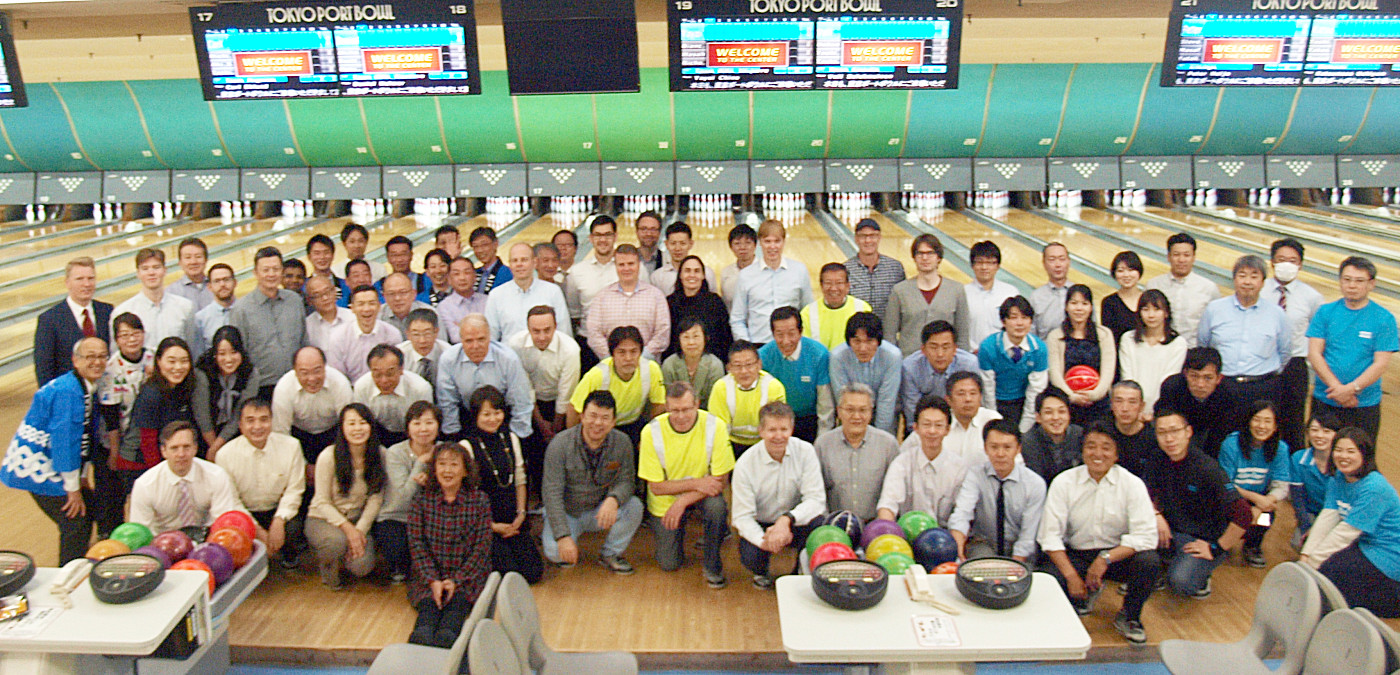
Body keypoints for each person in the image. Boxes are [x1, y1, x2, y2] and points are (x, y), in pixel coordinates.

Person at [1038, 422, 1160, 644]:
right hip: (1076, 554)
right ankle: (1081, 593)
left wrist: (1105, 559)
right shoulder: (1064, 482)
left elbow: (1146, 536)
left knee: (1149, 562)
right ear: (1082, 450)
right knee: (1049, 577)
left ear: (1116, 454)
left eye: (1106, 447)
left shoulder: (1132, 484)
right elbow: (1049, 537)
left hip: (1116, 555)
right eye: (1091, 446)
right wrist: (1072, 576)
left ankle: (1130, 616)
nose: (1097, 453)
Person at [1, 338, 107, 563]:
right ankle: (65, 580)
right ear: (75, 361)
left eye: (102, 356)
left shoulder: (82, 385)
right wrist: (72, 488)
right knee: (75, 519)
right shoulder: (68, 392)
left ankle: (76, 568)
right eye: (90, 357)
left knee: (86, 510)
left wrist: (80, 477)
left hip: (52, 463)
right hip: (38, 468)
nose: (97, 362)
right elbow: (65, 442)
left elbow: (85, 435)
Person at [638, 382, 736, 589]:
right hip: (670, 498)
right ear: (666, 407)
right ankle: (679, 531)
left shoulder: (715, 426)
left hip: (702, 495)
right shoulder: (650, 432)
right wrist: (697, 483)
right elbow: (656, 487)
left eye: (686, 409)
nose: (681, 416)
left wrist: (683, 501)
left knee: (716, 507)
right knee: (669, 564)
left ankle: (712, 564)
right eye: (674, 410)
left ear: (697, 405)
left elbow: (721, 481)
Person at [1149, 408, 1251, 600]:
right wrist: (1156, 515)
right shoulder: (1157, 459)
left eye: (1175, 431)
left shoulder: (1207, 468)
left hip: (1203, 539)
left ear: (1188, 432)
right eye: (1162, 433)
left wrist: (1217, 547)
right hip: (1171, 531)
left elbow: (1244, 514)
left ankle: (1201, 571)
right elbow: (1146, 492)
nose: (1169, 439)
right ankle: (1172, 560)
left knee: (1180, 583)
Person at [1299, 427, 1400, 617]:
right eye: (1338, 450)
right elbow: (1327, 518)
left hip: (1389, 555)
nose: (1343, 456)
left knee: (1331, 573)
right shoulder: (1338, 478)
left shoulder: (1374, 487)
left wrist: (1311, 566)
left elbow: (1345, 533)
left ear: (1365, 454)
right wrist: (1305, 557)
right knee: (1319, 562)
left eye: (1351, 451)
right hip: (1364, 544)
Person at [541, 390, 644, 574]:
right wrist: (563, 536)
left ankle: (610, 554)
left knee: (635, 507)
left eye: (605, 418)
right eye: (593, 416)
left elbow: (627, 481)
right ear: (581, 416)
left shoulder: (622, 443)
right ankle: (556, 529)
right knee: (554, 552)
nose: (598, 423)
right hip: (568, 511)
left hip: (600, 510)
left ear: (613, 422)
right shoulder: (560, 444)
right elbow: (551, 493)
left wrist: (613, 499)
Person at [406, 441, 493, 647]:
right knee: (426, 620)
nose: (447, 470)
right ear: (434, 469)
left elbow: (481, 549)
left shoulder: (480, 501)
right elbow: (416, 545)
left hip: (467, 577)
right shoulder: (421, 500)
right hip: (428, 577)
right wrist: (433, 580)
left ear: (465, 471)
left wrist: (456, 580)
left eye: (454, 464)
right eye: (442, 464)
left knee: (452, 620)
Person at [731, 402, 826, 589]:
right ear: (761, 431)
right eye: (772, 430)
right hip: (763, 524)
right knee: (751, 555)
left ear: (792, 429)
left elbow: (816, 500)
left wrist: (787, 520)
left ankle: (799, 571)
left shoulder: (806, 451)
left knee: (819, 525)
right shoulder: (745, 464)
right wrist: (765, 541)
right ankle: (761, 572)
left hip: (795, 520)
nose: (778, 436)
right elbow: (742, 517)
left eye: (784, 429)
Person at [458, 386, 543, 584]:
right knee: (507, 574)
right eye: (486, 414)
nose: (493, 419)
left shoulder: (510, 438)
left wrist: (521, 514)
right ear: (475, 416)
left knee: (533, 573)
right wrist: (494, 527)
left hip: (514, 519)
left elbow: (520, 480)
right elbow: (465, 497)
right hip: (484, 523)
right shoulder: (466, 446)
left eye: (497, 412)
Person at [1308, 256, 1397, 441]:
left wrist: (1351, 389)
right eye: (1347, 279)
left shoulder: (1384, 318)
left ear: (1371, 284)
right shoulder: (1325, 312)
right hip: (1325, 399)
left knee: (1361, 461)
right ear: (1340, 281)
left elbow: (1380, 364)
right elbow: (1314, 354)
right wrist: (1339, 390)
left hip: (1364, 404)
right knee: (1321, 458)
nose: (1352, 285)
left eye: (1359, 281)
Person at [1199, 255, 1290, 429]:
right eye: (1242, 275)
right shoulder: (1214, 309)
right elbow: (1204, 345)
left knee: (1259, 440)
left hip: (1263, 388)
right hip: (1224, 387)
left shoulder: (1277, 314)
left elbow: (1285, 352)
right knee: (1219, 437)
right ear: (1234, 279)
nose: (1247, 281)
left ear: (1263, 282)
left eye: (1254, 276)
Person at [215, 398, 306, 564]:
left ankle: (288, 555)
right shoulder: (225, 455)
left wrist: (278, 521)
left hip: (277, 510)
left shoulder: (291, 446)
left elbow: (294, 490)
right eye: (250, 421)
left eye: (264, 420)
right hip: (245, 513)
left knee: (293, 528)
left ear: (271, 422)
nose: (257, 427)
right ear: (240, 425)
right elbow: (232, 500)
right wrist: (256, 530)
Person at [306, 403, 386, 589]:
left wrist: (359, 531)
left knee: (362, 566)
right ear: (342, 427)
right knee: (336, 543)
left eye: (362, 422)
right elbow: (322, 502)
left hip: (358, 519)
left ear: (371, 426)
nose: (357, 428)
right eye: (351, 423)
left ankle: (345, 552)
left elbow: (376, 498)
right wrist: (349, 531)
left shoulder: (380, 454)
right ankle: (327, 562)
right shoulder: (328, 456)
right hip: (323, 518)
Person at [948, 419, 1046, 562]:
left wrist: (1015, 565)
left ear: (1018, 449)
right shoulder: (975, 475)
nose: (1000, 454)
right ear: (985, 448)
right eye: (994, 447)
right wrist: (957, 546)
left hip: (1019, 547)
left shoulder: (1035, 483)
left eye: (1007, 447)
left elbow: (1028, 534)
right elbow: (962, 512)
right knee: (982, 570)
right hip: (984, 543)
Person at [507, 306, 581, 491]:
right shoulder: (515, 345)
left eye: (547, 330)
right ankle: (538, 492)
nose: (541, 337)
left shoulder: (570, 349)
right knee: (534, 449)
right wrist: (540, 423)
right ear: (528, 328)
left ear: (556, 326)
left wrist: (556, 425)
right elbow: (524, 387)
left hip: (560, 405)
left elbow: (566, 393)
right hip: (530, 403)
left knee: (561, 448)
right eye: (536, 331)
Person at [128, 420, 248, 534]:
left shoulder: (216, 475)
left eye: (186, 447)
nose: (181, 454)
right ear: (163, 451)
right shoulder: (145, 485)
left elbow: (223, 523)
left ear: (195, 448)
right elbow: (143, 532)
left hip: (208, 542)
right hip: (163, 546)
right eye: (174, 448)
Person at [1261, 239, 1323, 452]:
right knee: (1261, 419)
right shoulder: (1259, 290)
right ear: (1272, 262)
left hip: (1295, 366)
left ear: (1300, 264)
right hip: (1263, 362)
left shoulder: (1312, 297)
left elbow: (1318, 336)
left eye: (1292, 260)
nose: (1286, 264)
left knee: (1294, 423)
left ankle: (1294, 472)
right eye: (1281, 260)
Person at [120, 338, 212, 477]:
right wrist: (162, 477)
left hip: (168, 461)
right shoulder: (151, 394)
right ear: (159, 361)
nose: (178, 367)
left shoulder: (182, 388)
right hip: (140, 465)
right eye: (172, 361)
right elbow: (148, 444)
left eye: (184, 361)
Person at [94, 314, 152, 535]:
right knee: (116, 495)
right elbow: (110, 417)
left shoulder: (152, 358)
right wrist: (115, 453)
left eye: (136, 333)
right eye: (125, 335)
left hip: (144, 439)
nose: (131, 339)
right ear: (116, 340)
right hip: (117, 441)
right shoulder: (111, 369)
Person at [1217, 400, 1291, 568]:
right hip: (1233, 497)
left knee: (1266, 517)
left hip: (1260, 502)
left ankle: (1252, 546)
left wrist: (1263, 504)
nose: (1262, 426)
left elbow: (1281, 486)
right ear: (1248, 422)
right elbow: (1224, 483)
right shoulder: (1231, 444)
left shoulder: (1281, 449)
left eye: (1267, 421)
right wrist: (1255, 499)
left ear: (1275, 426)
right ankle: (1223, 540)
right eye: (1257, 419)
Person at [436, 314, 534, 441]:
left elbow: (520, 402)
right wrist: (454, 438)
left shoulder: (508, 359)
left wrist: (516, 439)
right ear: (460, 340)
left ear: (490, 337)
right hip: (466, 419)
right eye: (469, 341)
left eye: (481, 339)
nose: (475, 346)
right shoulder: (448, 359)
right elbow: (447, 404)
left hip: (501, 418)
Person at [813, 384, 901, 521]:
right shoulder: (822, 445)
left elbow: (896, 492)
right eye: (850, 410)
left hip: (876, 525)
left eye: (863, 410)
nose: (856, 416)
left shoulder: (888, 445)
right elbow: (816, 494)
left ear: (871, 412)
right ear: (839, 411)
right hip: (835, 527)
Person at [230, 247, 308, 401]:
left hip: (296, 383)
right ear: (255, 273)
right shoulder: (242, 309)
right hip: (261, 387)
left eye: (276, 269)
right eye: (266, 270)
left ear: (281, 271)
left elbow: (303, 340)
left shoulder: (295, 301)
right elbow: (239, 352)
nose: (271, 274)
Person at [877, 396, 967, 525]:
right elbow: (888, 505)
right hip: (906, 536)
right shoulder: (902, 463)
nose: (932, 431)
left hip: (945, 536)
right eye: (926, 424)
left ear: (947, 430)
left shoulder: (959, 467)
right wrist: (887, 531)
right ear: (916, 428)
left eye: (938, 425)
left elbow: (961, 514)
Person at [568, 326, 666, 443]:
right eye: (621, 352)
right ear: (612, 354)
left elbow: (658, 406)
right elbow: (574, 409)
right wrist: (574, 441)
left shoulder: (652, 370)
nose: (628, 358)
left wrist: (649, 437)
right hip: (603, 428)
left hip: (634, 425)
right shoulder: (597, 375)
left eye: (633, 351)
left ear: (641, 352)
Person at [377, 401, 440, 583]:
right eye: (417, 423)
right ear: (408, 427)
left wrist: (432, 484)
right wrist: (421, 462)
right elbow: (404, 497)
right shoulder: (395, 452)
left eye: (429, 423)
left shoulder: (444, 450)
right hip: (397, 515)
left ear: (438, 426)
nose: (423, 429)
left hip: (431, 516)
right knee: (399, 549)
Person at [730, 220, 815, 344]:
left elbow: (808, 312)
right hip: (758, 345)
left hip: (792, 343)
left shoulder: (799, 271)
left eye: (777, 241)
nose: (772, 246)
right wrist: (747, 346)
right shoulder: (746, 275)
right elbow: (737, 318)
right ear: (759, 243)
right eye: (767, 241)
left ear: (784, 242)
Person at [884, 233, 970, 355]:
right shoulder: (899, 291)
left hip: (945, 362)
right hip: (909, 362)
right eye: (920, 253)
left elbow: (963, 335)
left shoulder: (956, 290)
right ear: (914, 257)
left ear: (938, 258)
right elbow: (889, 334)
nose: (925, 258)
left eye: (930, 253)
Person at [272, 347, 354, 470]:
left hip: (333, 435)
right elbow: (281, 434)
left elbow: (349, 424)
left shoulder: (340, 383)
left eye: (317, 371)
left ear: (325, 367)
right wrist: (303, 466)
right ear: (295, 371)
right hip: (299, 437)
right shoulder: (284, 388)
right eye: (304, 373)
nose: (312, 379)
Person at [758, 307, 833, 441]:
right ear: (773, 334)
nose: (786, 341)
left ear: (801, 332)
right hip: (776, 421)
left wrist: (822, 440)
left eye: (791, 333)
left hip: (809, 419)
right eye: (780, 334)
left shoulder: (819, 354)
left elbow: (825, 403)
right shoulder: (763, 356)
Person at [36, 257, 112, 387]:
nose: (86, 284)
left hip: (104, 395)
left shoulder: (107, 311)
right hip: (68, 395)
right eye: (80, 279)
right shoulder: (49, 319)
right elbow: (44, 369)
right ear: (67, 283)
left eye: (90, 278)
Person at [585, 244, 670, 360]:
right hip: (610, 365)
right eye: (621, 264)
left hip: (647, 364)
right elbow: (594, 333)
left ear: (639, 265)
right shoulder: (602, 297)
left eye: (631, 264)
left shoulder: (656, 295)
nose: (626, 268)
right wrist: (614, 358)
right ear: (615, 266)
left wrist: (641, 356)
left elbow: (663, 333)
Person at [1047, 284, 1115, 427]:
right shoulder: (1055, 336)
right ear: (1066, 307)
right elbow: (1055, 373)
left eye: (1084, 303)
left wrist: (1094, 395)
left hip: (1099, 403)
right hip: (1067, 403)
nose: (1079, 308)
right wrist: (1071, 396)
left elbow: (1108, 371)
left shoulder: (1104, 334)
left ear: (1091, 307)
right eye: (1074, 303)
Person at [978, 296, 1048, 432]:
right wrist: (993, 422)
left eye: (1024, 318)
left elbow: (1035, 392)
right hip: (995, 401)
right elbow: (987, 389)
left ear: (1031, 321)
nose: (1020, 323)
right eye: (1014, 318)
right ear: (1003, 321)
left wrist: (1023, 431)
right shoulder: (988, 347)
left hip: (1023, 402)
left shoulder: (1039, 349)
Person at [828, 312, 902, 435]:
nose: (863, 348)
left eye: (869, 341)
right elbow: (843, 399)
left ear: (879, 341)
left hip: (883, 417)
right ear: (848, 341)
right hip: (851, 416)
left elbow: (886, 401)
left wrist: (877, 438)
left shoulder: (892, 356)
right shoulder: (837, 357)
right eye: (857, 341)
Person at [710, 340, 787, 457]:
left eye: (749, 365)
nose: (744, 371)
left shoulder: (773, 387)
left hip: (764, 444)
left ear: (759, 365)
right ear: (729, 368)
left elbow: (776, 427)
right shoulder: (721, 388)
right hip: (731, 445)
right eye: (737, 366)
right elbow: (719, 431)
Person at [195, 326, 261, 460]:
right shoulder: (202, 372)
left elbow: (240, 414)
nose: (228, 359)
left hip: (234, 432)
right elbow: (202, 416)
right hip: (205, 434)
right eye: (222, 354)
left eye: (233, 352)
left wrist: (217, 448)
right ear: (215, 354)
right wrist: (213, 449)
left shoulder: (251, 374)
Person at [901, 320, 979, 434]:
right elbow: (912, 411)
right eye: (934, 347)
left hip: (960, 423)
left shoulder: (969, 364)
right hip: (925, 427)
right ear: (923, 350)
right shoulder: (910, 367)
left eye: (946, 347)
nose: (940, 354)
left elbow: (973, 403)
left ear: (955, 349)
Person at [112, 248, 197, 352]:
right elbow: (116, 355)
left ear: (164, 270)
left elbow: (191, 349)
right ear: (138, 273)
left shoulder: (185, 307)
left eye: (156, 267)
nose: (151, 273)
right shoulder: (122, 311)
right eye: (145, 268)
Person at [1158, 347, 1236, 458]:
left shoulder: (1229, 394)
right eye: (1194, 376)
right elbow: (1164, 424)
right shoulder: (1171, 388)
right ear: (1185, 374)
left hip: (1213, 442)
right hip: (1177, 438)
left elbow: (1222, 435)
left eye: (1208, 378)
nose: (1200, 384)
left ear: (1219, 378)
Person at [1118, 289, 1185, 416]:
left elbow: (1168, 382)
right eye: (1145, 309)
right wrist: (1135, 408)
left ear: (1166, 313)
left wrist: (1153, 411)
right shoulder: (1128, 339)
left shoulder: (1178, 343)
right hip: (1132, 410)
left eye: (1156, 309)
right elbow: (1127, 377)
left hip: (1161, 410)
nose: (1151, 315)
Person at [1146, 232, 1219, 348]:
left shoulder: (1209, 288)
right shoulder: (1154, 285)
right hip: (1161, 350)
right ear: (1168, 257)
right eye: (1176, 255)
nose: (1181, 260)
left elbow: (1215, 326)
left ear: (1194, 257)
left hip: (1194, 353)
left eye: (1186, 255)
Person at [485, 243, 570, 343]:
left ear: (534, 263)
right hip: (510, 356)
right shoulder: (496, 295)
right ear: (510, 265)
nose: (519, 264)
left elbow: (564, 332)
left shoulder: (553, 291)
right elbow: (491, 336)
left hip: (545, 356)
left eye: (524, 260)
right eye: (515, 260)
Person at [353, 344, 433, 447]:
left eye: (389, 374)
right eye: (377, 375)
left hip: (412, 434)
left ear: (401, 370)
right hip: (376, 434)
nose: (384, 380)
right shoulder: (362, 387)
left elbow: (426, 424)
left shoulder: (420, 388)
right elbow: (361, 423)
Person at [327, 285, 403, 382]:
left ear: (379, 306)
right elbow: (338, 377)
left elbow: (397, 370)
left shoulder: (392, 334)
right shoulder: (338, 337)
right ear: (352, 308)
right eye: (361, 304)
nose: (366, 309)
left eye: (371, 303)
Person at [1290, 410, 1341, 549]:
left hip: (1339, 515)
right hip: (1312, 513)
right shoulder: (1298, 459)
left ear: (1337, 435)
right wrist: (1307, 527)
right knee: (1299, 543)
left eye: (1326, 431)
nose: (1319, 436)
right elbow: (1297, 499)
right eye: (1314, 430)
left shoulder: (1343, 462)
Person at [564, 216, 620, 341]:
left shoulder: (629, 269)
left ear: (615, 237)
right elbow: (575, 313)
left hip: (622, 342)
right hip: (588, 340)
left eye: (608, 235)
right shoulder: (577, 272)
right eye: (598, 235)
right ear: (590, 238)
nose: (603, 239)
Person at [665, 255, 731, 360]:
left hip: (712, 362)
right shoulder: (669, 303)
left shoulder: (715, 302)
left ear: (703, 276)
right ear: (680, 275)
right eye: (687, 271)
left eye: (697, 271)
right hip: (678, 362)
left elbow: (725, 337)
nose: (692, 275)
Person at [844, 218, 905, 321]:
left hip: (887, 333)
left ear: (879, 237)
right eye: (863, 236)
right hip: (856, 333)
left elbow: (903, 303)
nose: (868, 241)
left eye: (872, 236)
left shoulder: (895, 268)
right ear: (856, 239)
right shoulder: (845, 270)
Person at [964, 241, 1019, 352]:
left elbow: (1018, 325)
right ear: (972, 265)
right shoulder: (962, 293)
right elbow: (959, 328)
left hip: (1004, 355)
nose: (984, 267)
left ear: (998, 266)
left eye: (990, 263)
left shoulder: (1011, 292)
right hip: (972, 356)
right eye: (979, 262)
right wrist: (974, 349)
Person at [802, 263, 871, 351]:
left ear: (847, 286)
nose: (834, 288)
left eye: (839, 283)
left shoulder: (862, 308)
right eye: (828, 283)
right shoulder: (808, 313)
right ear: (821, 286)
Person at [1020, 389, 1084, 484]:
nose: (1056, 417)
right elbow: (1035, 481)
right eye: (1048, 412)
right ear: (1038, 417)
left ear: (1069, 414)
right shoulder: (1028, 441)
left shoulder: (1079, 434)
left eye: (1061, 411)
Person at [662, 317, 725, 407]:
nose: (691, 342)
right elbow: (667, 398)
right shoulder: (669, 364)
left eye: (696, 336)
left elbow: (716, 401)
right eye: (686, 337)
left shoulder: (715, 365)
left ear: (705, 338)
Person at [941, 371, 1002, 463]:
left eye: (973, 393)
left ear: (980, 397)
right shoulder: (937, 423)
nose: (968, 399)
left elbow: (1014, 462)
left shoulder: (992, 420)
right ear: (948, 400)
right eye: (961, 394)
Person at [1107, 382, 1157, 480]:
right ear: (1111, 405)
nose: (1125, 408)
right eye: (1119, 401)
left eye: (1132, 402)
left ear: (1142, 406)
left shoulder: (1153, 438)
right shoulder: (1102, 432)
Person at [651, 222, 715, 294]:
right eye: (673, 243)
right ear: (666, 244)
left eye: (683, 243)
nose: (678, 248)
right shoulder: (657, 276)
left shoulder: (707, 273)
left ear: (691, 244)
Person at [381, 274, 447, 343]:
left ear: (413, 294)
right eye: (391, 294)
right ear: (384, 296)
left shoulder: (430, 312)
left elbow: (440, 344)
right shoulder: (378, 315)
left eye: (403, 292)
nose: (397, 298)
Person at [438, 257, 488, 344]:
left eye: (467, 273)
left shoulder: (488, 301)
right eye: (456, 274)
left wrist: (462, 327)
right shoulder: (444, 307)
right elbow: (455, 337)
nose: (462, 278)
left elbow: (494, 332)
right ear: (449, 279)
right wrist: (482, 330)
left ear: (475, 277)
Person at [398, 308, 450, 389]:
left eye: (427, 333)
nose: (422, 340)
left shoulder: (448, 353)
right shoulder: (399, 354)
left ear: (436, 332)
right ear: (408, 334)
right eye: (416, 334)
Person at [1030, 243, 1071, 340]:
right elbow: (1031, 336)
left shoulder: (1081, 294)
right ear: (1044, 263)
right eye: (1052, 260)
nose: (1058, 265)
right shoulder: (1036, 297)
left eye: (1062, 259)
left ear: (1069, 262)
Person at [193, 263, 237, 355]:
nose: (222, 284)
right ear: (209, 287)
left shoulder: (247, 312)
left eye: (226, 280)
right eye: (217, 281)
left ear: (235, 283)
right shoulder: (200, 319)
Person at [1101, 251, 1143, 342]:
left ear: (1139, 272)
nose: (1126, 275)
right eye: (1120, 270)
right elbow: (1109, 339)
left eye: (1131, 270)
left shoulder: (1149, 300)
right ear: (1114, 274)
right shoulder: (1109, 303)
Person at [304, 275, 354, 351]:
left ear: (334, 291)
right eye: (317, 295)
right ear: (309, 301)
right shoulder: (307, 326)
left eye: (327, 292)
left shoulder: (353, 317)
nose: (325, 298)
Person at [720, 223, 758, 310]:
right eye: (737, 243)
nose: (742, 247)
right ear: (731, 247)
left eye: (748, 243)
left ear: (755, 245)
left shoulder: (764, 270)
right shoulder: (726, 272)